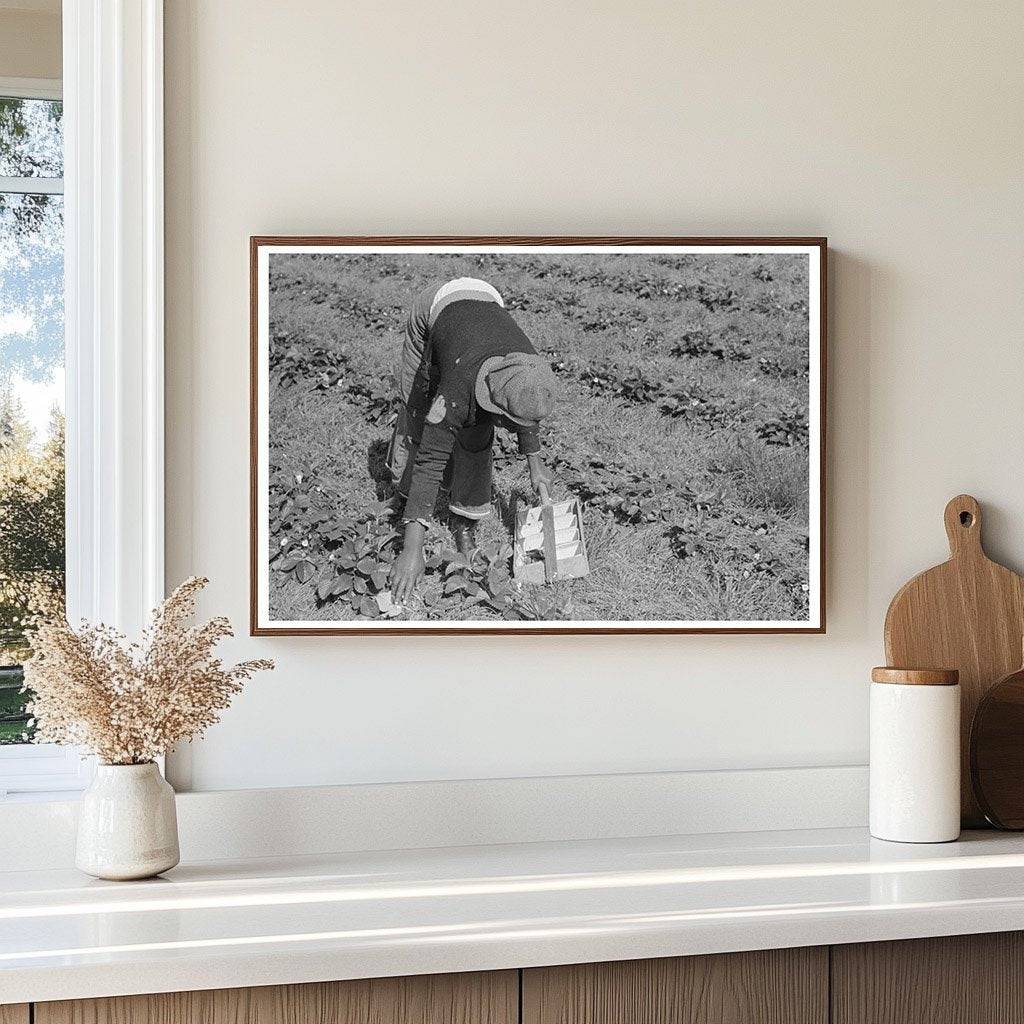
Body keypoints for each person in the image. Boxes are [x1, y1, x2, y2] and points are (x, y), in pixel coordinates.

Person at [387, 277, 558, 602]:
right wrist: (412, 550)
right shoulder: (459, 389)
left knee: (477, 435)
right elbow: (430, 461)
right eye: (508, 423)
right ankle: (406, 499)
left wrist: (535, 465)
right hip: (436, 307)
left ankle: (463, 522)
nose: (512, 429)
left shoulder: (528, 369)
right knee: (418, 412)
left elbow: (525, 411)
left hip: (487, 301)